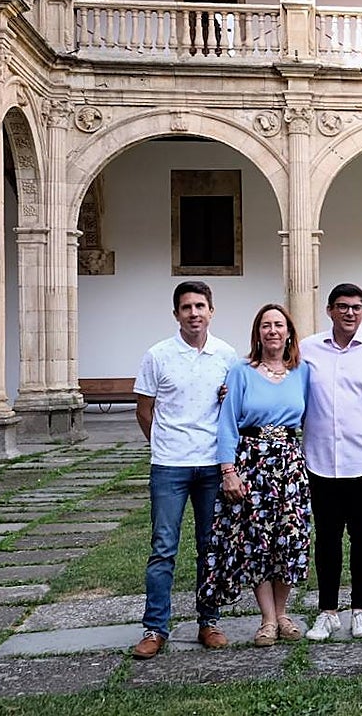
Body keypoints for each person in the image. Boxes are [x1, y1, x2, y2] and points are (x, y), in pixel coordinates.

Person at [130, 281, 237, 659]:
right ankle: (155, 628)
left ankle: (209, 620)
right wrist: (162, 444)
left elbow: (233, 408)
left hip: (211, 465)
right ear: (176, 313)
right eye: (187, 307)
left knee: (211, 548)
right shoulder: (157, 355)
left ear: (211, 311)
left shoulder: (227, 355)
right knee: (163, 548)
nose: (194, 313)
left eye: (200, 306)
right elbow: (145, 410)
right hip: (170, 466)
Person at [200, 303, 311, 647]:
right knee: (258, 542)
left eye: (279, 325)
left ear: (289, 332)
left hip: (290, 465)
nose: (273, 331)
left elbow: (311, 417)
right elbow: (228, 423)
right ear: (258, 333)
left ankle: (282, 614)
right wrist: (228, 471)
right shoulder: (241, 371)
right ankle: (266, 618)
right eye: (266, 325)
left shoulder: (302, 372)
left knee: (290, 540)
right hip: (253, 464)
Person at [302, 284, 362, 642]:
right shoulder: (309, 349)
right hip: (320, 460)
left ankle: (360, 609)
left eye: (357, 307)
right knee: (326, 537)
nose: (349, 313)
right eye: (342, 307)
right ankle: (327, 611)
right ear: (329, 310)